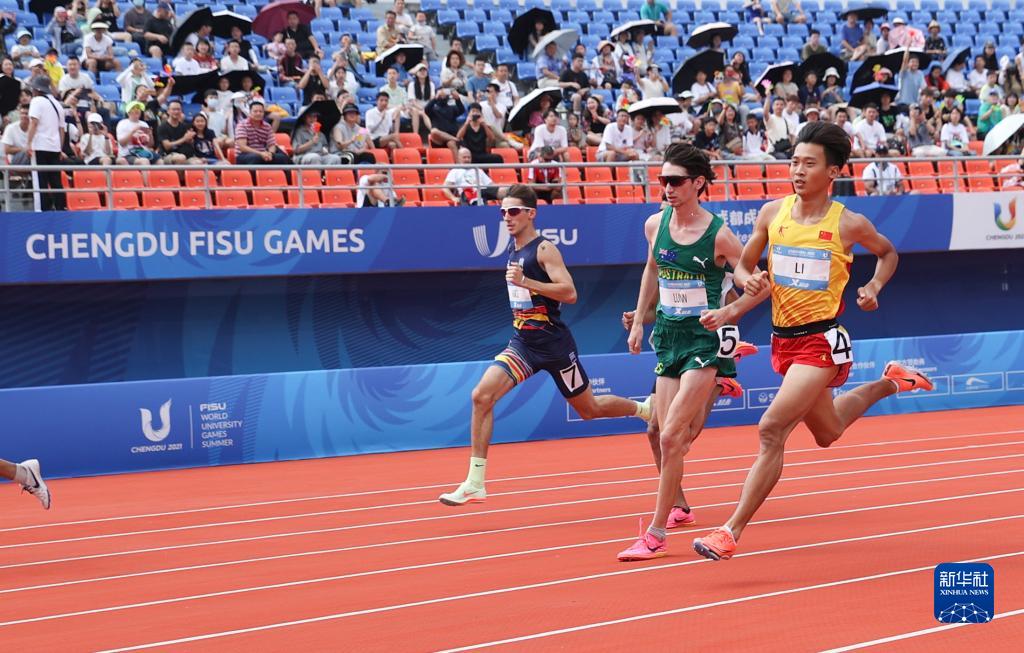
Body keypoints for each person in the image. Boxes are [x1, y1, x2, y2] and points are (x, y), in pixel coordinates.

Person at [692, 122, 933, 561]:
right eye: (794, 162)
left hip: (821, 341)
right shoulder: (771, 214)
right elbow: (743, 269)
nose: (798, 171)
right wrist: (752, 282)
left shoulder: (849, 224)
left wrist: (874, 287)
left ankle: (730, 531)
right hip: (782, 341)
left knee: (771, 429)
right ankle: (892, 381)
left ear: (833, 171)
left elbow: (888, 253)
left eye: (809, 163)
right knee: (829, 431)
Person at [438, 185, 652, 506]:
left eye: (513, 211)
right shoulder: (513, 250)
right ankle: (475, 482)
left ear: (530, 214)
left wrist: (527, 282)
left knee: (588, 410)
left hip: (554, 345)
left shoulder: (544, 250)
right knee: (481, 396)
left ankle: (645, 410)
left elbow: (570, 292)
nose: (506, 218)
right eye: (502, 212)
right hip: (523, 344)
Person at [617, 143, 762, 560]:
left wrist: (731, 308)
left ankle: (656, 533)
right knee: (660, 431)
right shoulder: (654, 225)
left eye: (675, 181)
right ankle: (721, 387)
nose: (666, 187)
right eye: (662, 180)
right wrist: (641, 319)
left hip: (704, 340)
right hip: (668, 335)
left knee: (673, 435)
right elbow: (652, 270)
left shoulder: (718, 233)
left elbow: (752, 282)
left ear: (698, 183)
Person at [25, 76, 66, 211]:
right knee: (56, 182)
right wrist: (59, 148)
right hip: (54, 147)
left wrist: (28, 143)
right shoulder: (57, 104)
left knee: (40, 182)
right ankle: (61, 208)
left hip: (40, 145)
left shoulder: (36, 101)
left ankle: (42, 211)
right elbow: (61, 129)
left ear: (36, 89)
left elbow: (34, 123)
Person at [235, 100, 292, 165]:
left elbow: (271, 144)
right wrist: (260, 153)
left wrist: (270, 154)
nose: (258, 113)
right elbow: (243, 147)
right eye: (255, 111)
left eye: (261, 111)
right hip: (245, 155)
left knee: (282, 158)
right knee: (255, 158)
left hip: (264, 154)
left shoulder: (267, 126)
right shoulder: (242, 125)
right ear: (250, 112)